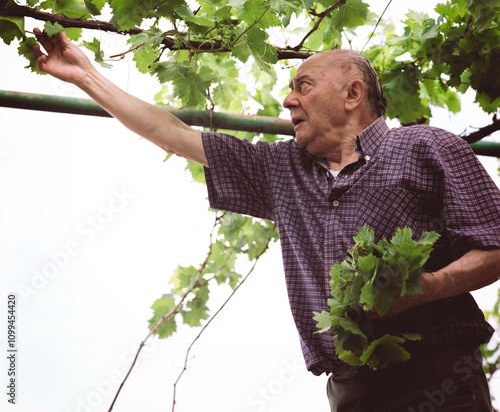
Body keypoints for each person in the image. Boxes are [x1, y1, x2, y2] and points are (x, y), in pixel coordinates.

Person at [33, 29, 500, 411]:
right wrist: (87, 75)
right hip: (350, 388)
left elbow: (496, 245)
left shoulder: (425, 147)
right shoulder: (282, 170)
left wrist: (432, 286)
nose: (287, 99)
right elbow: (173, 135)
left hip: (440, 372)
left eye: (303, 86)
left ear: (352, 93)